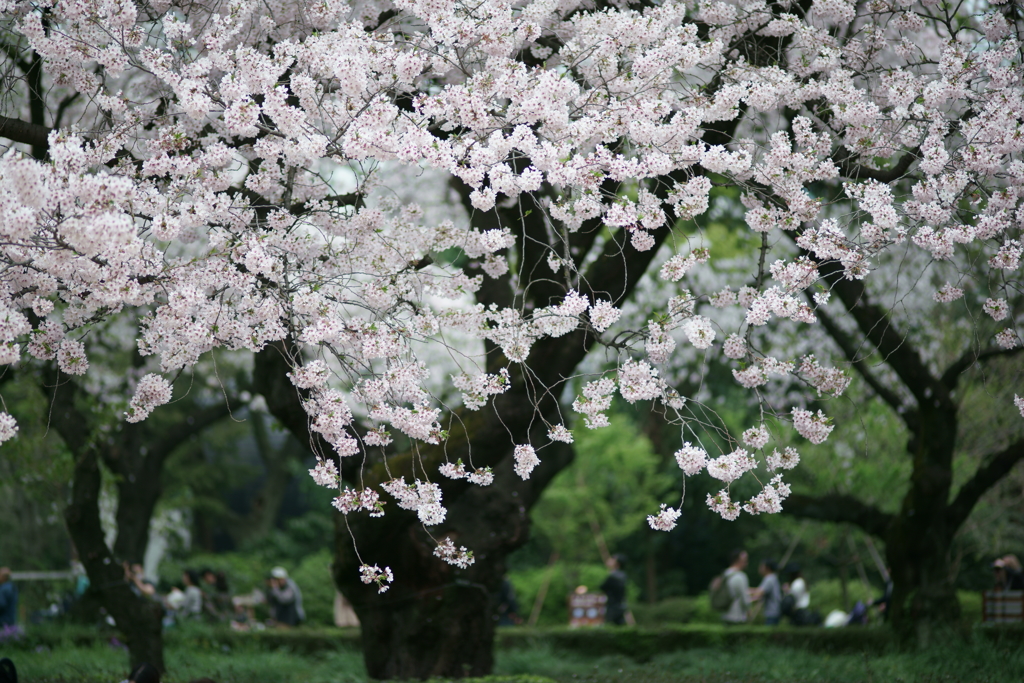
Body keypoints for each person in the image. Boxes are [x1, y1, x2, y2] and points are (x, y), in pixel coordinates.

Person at [721, 549, 751, 624]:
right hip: (737, 617)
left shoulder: (725, 573)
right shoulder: (741, 576)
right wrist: (749, 611)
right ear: (738, 560)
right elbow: (745, 598)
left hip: (724, 614)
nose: (747, 563)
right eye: (745, 560)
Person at [600, 554, 629, 626]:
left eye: (612, 559)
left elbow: (602, 587)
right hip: (621, 606)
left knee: (609, 626)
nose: (609, 560)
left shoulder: (614, 576)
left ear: (617, 564)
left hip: (613, 606)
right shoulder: (623, 575)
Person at [752, 559, 782, 625]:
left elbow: (759, 592)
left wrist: (744, 592)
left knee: (770, 633)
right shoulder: (772, 577)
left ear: (767, 568)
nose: (759, 568)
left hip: (772, 612)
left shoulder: (769, 578)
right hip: (774, 611)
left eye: (761, 566)